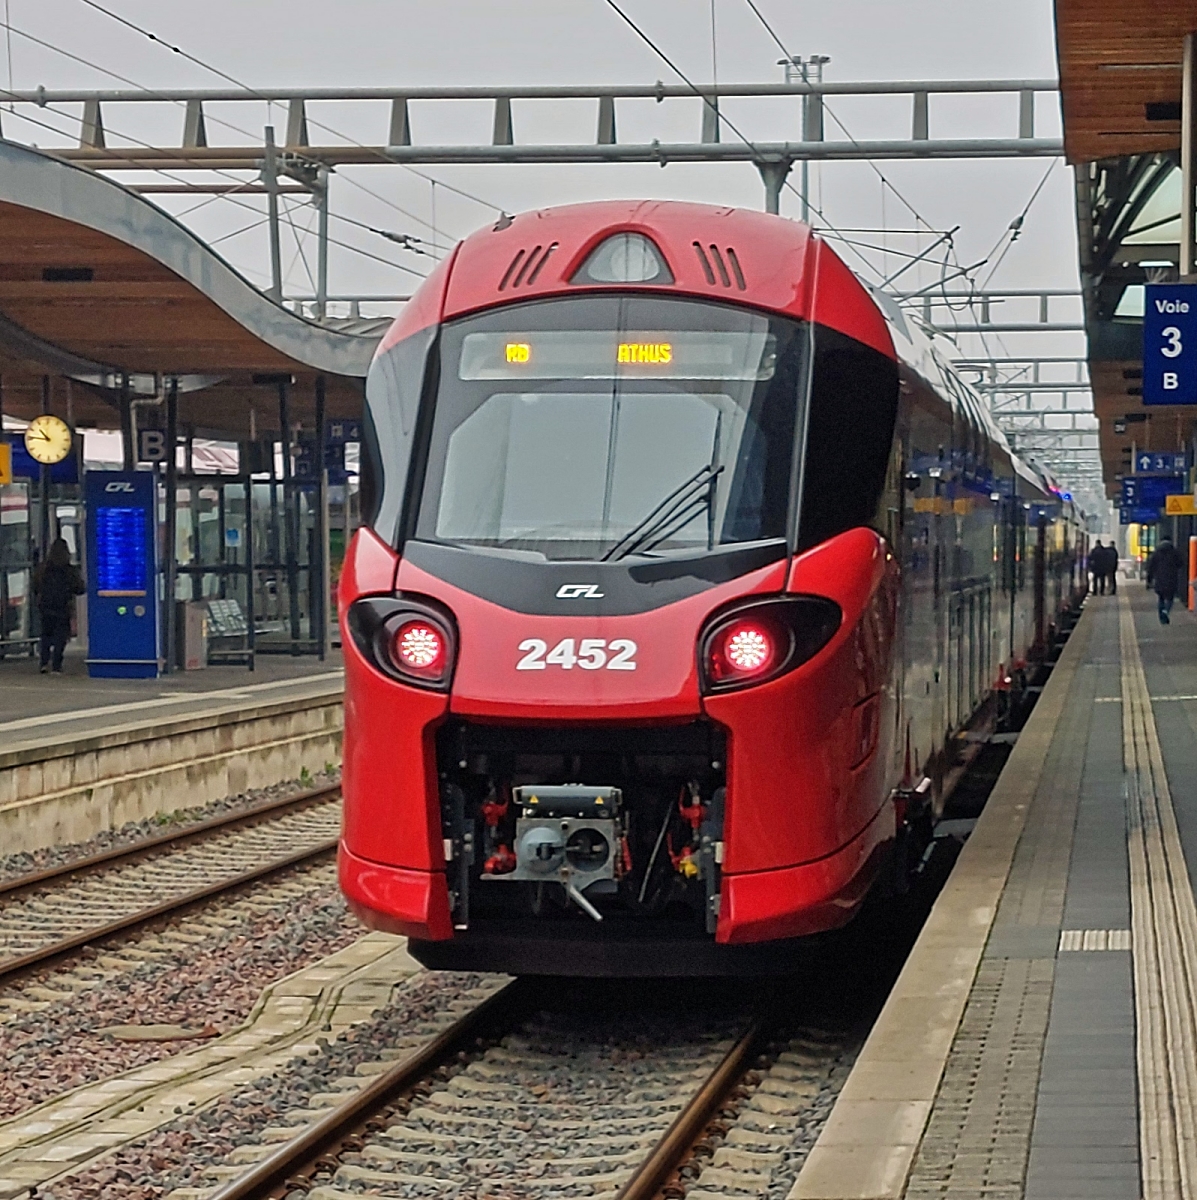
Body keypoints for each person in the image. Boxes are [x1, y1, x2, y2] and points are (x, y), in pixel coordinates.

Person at [32, 538, 85, 673]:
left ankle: (44, 663)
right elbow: (80, 588)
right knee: (60, 637)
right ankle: (56, 665)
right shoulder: (69, 570)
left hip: (46, 607)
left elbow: (35, 586)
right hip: (63, 607)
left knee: (46, 635)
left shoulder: (43, 569)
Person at [1147, 536, 1183, 625]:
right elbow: (1180, 564)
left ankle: (1162, 616)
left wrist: (1149, 580)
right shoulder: (1175, 552)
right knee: (1170, 599)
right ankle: (1166, 612)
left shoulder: (1156, 553)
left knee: (1161, 598)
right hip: (1172, 579)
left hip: (1159, 579)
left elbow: (1151, 567)